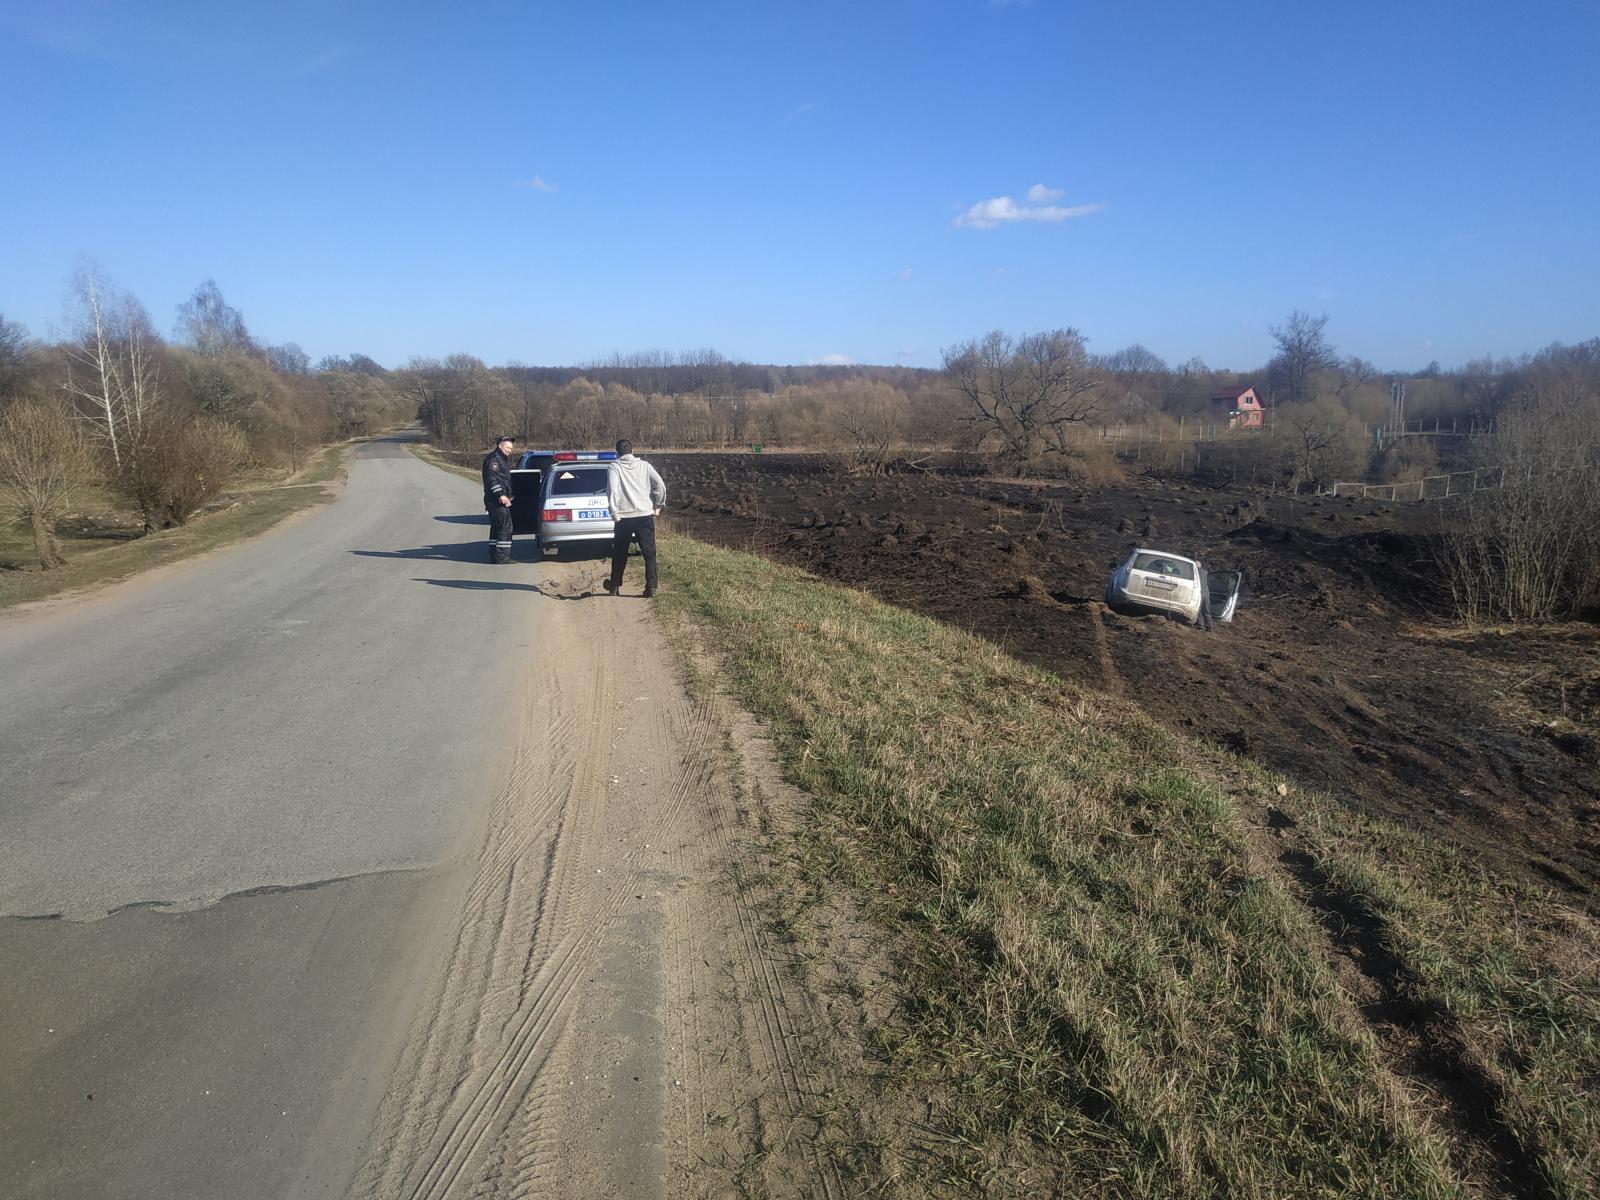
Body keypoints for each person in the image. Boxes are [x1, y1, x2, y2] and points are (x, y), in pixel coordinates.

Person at [603, 438, 666, 597]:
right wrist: (658, 506)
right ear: (633, 450)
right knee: (649, 553)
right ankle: (651, 586)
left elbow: (612, 491)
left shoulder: (614, 468)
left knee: (619, 553)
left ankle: (614, 586)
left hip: (624, 518)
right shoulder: (645, 466)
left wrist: (614, 513)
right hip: (644, 515)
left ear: (617, 452)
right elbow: (659, 484)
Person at [482, 434, 517, 564]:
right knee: (505, 527)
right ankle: (502, 557)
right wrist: (500, 495)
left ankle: (495, 555)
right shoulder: (494, 459)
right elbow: (491, 478)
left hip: (495, 500)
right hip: (496, 500)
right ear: (500, 445)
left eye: (511, 448)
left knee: (497, 527)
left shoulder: (501, 459)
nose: (509, 450)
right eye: (507, 447)